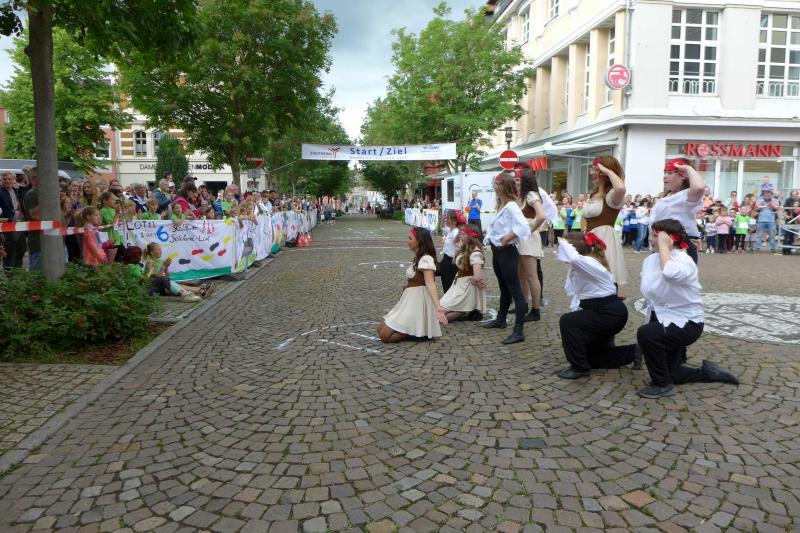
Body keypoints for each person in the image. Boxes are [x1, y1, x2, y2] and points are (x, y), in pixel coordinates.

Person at [626, 219, 737, 398]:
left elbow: (670, 273)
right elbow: (650, 290)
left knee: (647, 334)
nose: (651, 240)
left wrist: (664, 247)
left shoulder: (684, 260)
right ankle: (709, 373)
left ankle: (662, 385)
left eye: (655, 236)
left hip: (686, 322)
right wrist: (662, 249)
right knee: (673, 373)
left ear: (669, 239)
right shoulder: (650, 260)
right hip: (661, 316)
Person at [555, 232, 640, 379]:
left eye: (562, 248)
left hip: (608, 314)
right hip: (601, 311)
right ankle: (635, 352)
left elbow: (573, 257)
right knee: (593, 358)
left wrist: (562, 241)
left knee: (568, 322)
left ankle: (579, 368)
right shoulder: (583, 264)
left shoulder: (587, 262)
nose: (559, 251)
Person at [482, 172, 531, 345]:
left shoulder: (511, 206)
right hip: (498, 252)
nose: (495, 187)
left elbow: (524, 227)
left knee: (515, 291)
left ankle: (519, 330)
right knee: (504, 288)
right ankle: (501, 319)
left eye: (497, 184)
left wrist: (507, 238)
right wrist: (491, 240)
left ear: (504, 186)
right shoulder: (502, 205)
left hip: (507, 252)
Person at [378, 227, 447, 343]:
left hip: (417, 302)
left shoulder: (426, 259)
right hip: (409, 300)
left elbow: (430, 283)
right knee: (380, 329)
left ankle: (414, 331)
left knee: (385, 336)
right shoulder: (419, 257)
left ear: (419, 241)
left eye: (410, 238)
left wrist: (438, 307)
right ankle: (415, 330)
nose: (408, 241)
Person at [581, 156, 628, 296]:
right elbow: (584, 216)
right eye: (592, 169)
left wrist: (607, 171)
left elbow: (621, 188)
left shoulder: (612, 195)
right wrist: (584, 233)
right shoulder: (593, 195)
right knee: (589, 281)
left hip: (605, 240)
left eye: (596, 169)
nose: (592, 172)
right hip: (590, 241)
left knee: (604, 278)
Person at [650, 158, 705, 263]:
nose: (665, 176)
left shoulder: (686, 196)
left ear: (683, 176)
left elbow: (699, 187)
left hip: (678, 249)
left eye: (670, 173)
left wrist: (687, 168)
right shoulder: (668, 197)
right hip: (661, 247)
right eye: (665, 172)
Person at [516, 167, 546, 322]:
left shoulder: (531, 195)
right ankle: (524, 305)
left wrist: (531, 230)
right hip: (520, 237)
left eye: (517, 179)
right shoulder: (521, 196)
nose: (515, 182)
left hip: (527, 237)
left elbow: (541, 216)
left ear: (525, 181)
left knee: (531, 276)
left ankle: (536, 310)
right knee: (521, 275)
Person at [439, 224, 486, 322]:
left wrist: (472, 280)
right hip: (458, 285)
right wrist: (458, 250)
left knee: (439, 312)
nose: (461, 236)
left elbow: (477, 277)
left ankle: (463, 310)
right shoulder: (466, 248)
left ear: (470, 237)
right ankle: (462, 311)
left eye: (463, 234)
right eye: (461, 234)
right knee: (439, 308)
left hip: (465, 288)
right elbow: (454, 262)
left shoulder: (475, 253)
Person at [0, 171, 28, 270]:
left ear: (14, 180)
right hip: (7, 226)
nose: (7, 181)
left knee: (21, 250)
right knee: (9, 252)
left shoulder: (16, 190)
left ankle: (18, 273)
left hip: (19, 224)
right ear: (1, 180)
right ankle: (10, 276)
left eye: (9, 179)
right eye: (5, 179)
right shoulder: (0, 192)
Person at [440, 210, 464, 293]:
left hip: (451, 262)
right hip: (446, 259)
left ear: (454, 221)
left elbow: (460, 245)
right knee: (446, 284)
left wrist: (455, 258)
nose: (446, 220)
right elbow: (442, 227)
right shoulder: (450, 230)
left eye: (448, 218)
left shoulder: (456, 231)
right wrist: (443, 218)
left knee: (449, 285)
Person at [754, 190, 781, 255]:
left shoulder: (775, 200)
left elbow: (778, 209)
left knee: (772, 235)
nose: (767, 195)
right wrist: (760, 205)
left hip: (771, 220)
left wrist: (773, 206)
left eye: (769, 193)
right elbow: (755, 209)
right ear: (764, 194)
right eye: (766, 193)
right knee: (759, 235)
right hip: (761, 220)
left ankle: (773, 249)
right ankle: (757, 249)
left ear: (771, 194)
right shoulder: (759, 200)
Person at [99, 191, 122, 263]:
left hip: (117, 238)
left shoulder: (113, 210)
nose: (114, 201)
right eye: (112, 199)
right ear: (105, 201)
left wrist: (120, 214)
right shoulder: (103, 211)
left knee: (119, 260)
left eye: (115, 199)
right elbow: (111, 223)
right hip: (110, 239)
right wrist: (117, 213)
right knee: (111, 260)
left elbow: (118, 222)